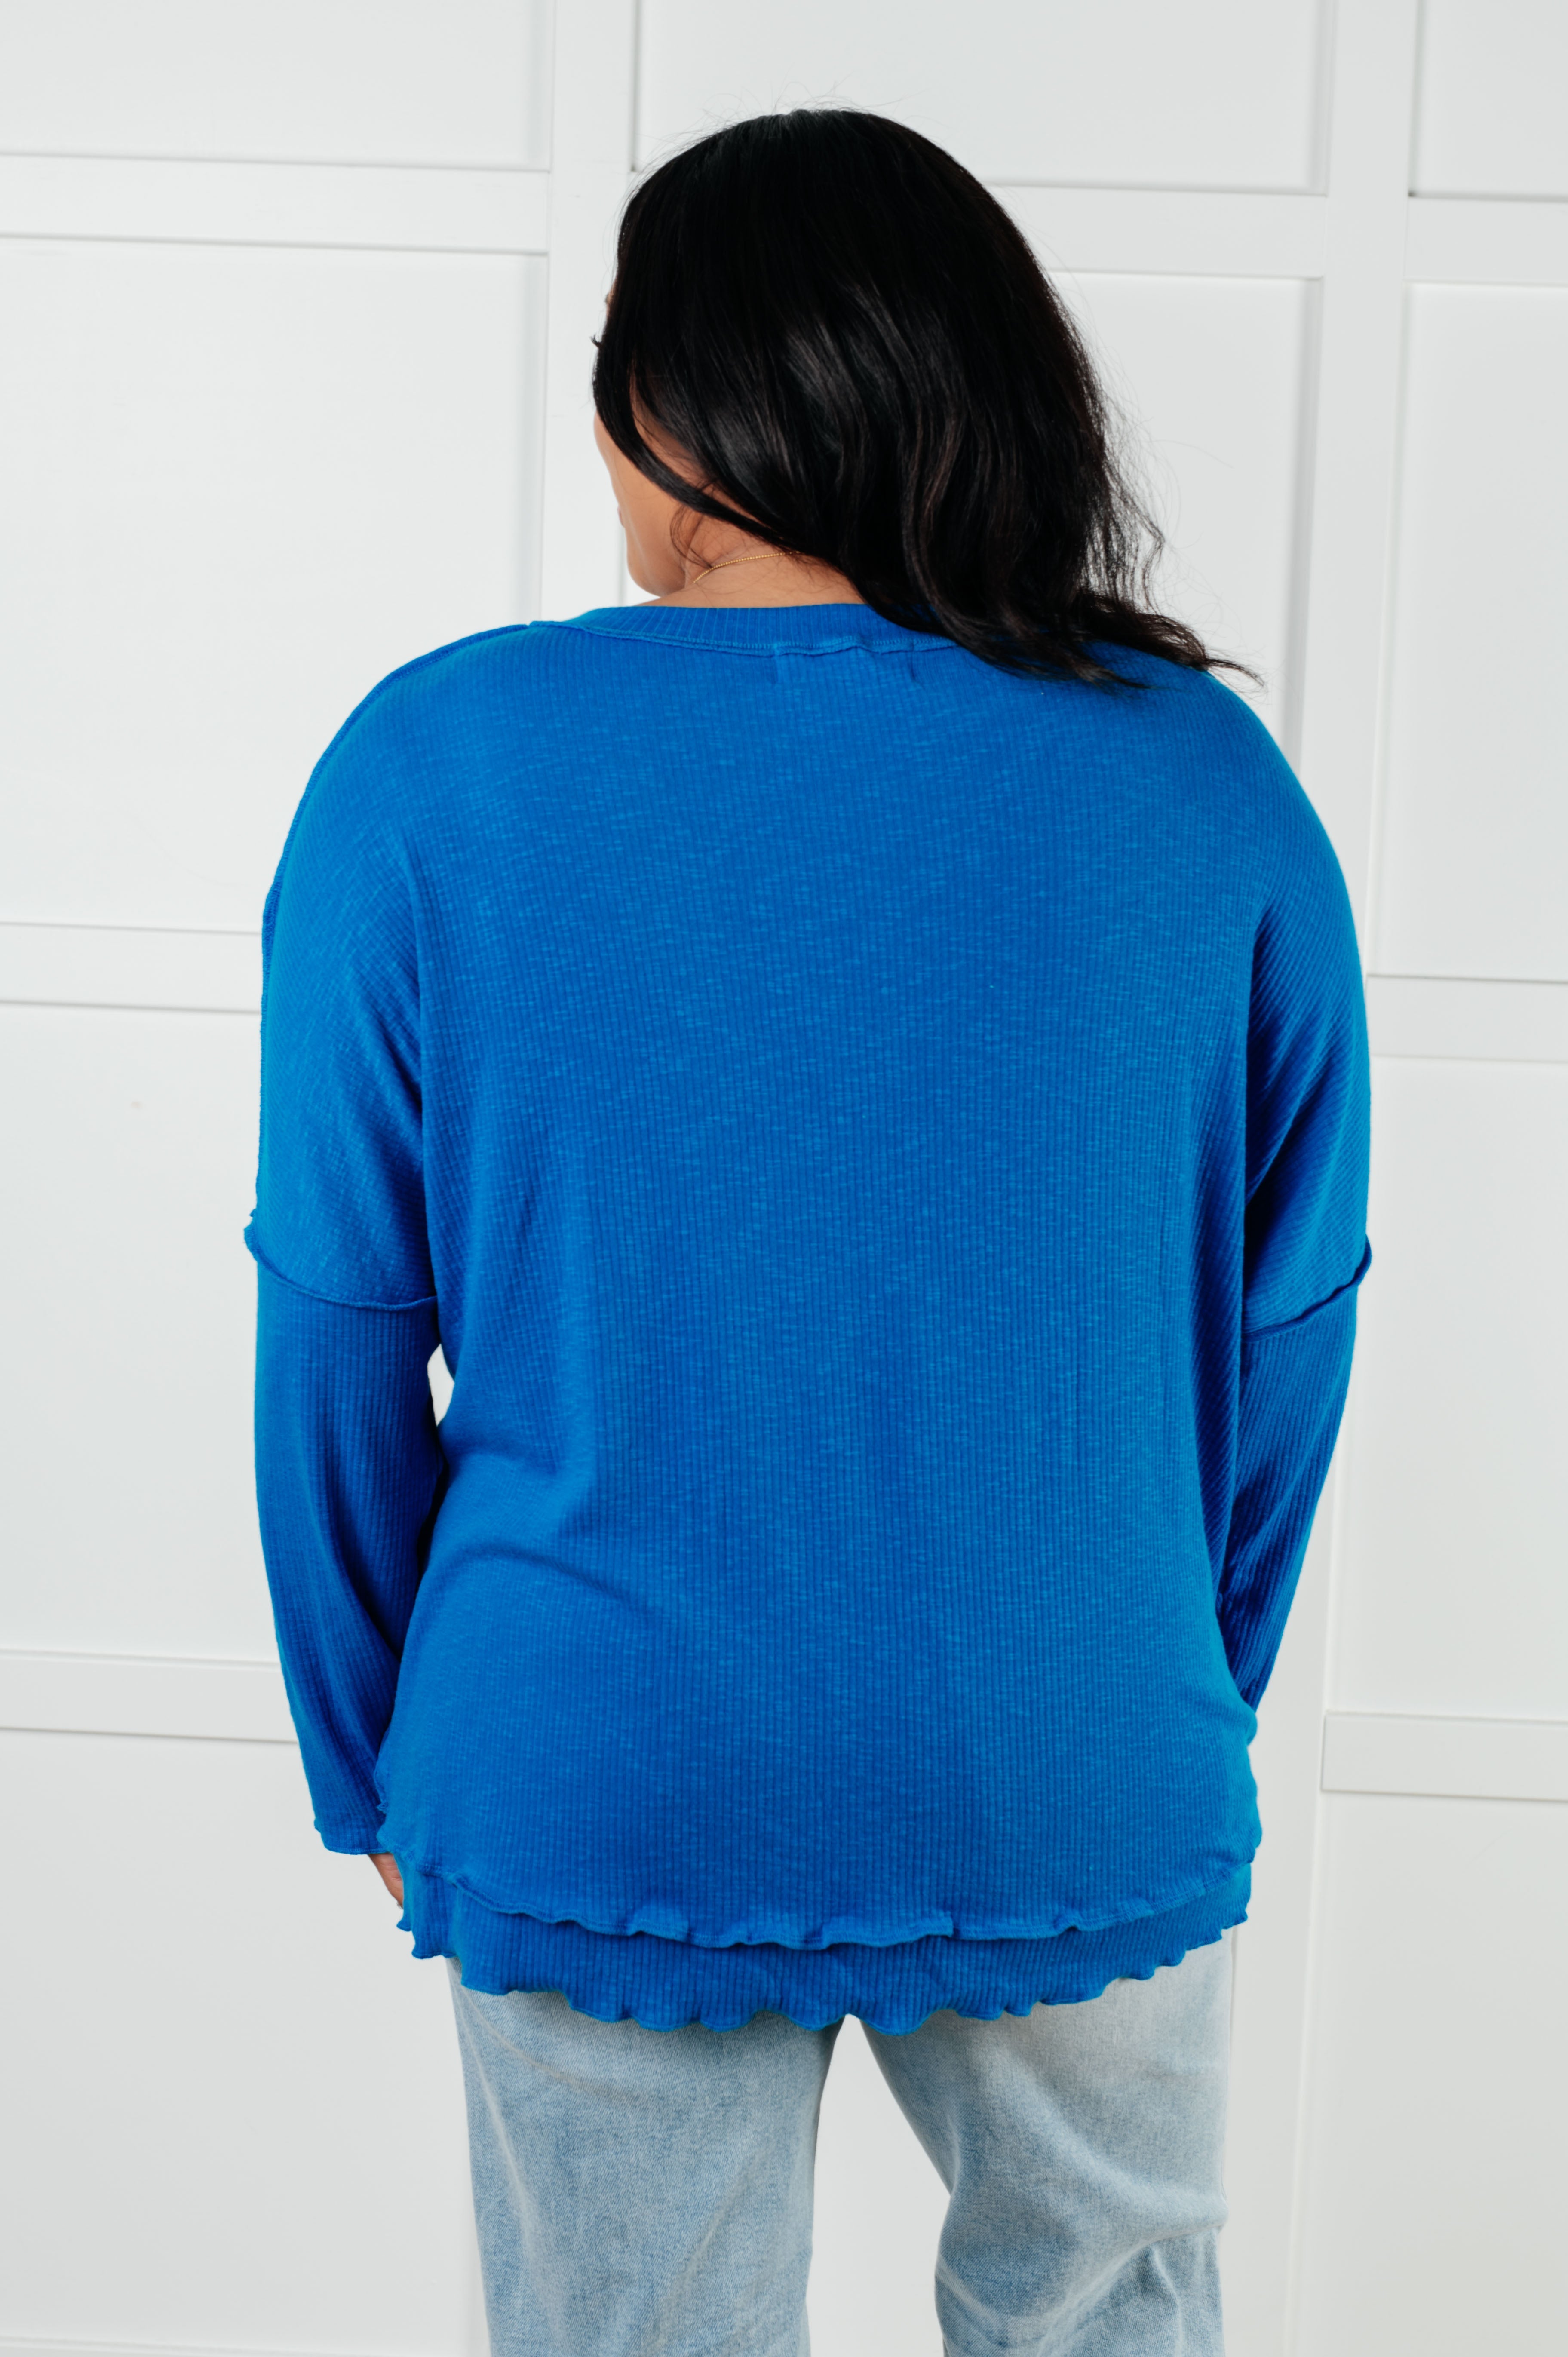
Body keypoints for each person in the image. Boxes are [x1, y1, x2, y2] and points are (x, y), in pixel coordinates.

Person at [248, 107, 1370, 2357]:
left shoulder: (437, 764)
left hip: (597, 1750)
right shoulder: (1203, 780)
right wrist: (1158, 1679)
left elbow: (341, 1330)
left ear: (678, 410)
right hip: (1068, 1738)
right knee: (1109, 2320)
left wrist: (370, 1750)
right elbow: (1286, 1328)